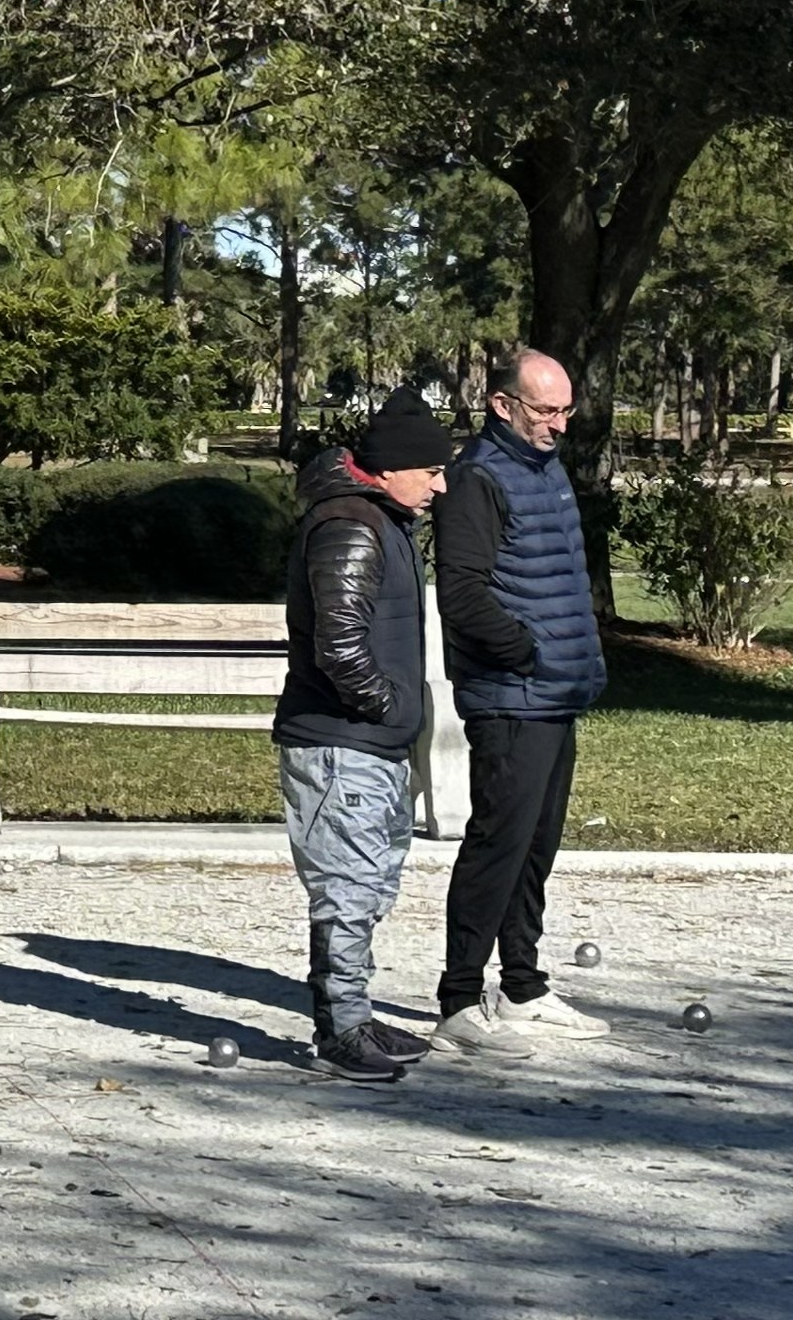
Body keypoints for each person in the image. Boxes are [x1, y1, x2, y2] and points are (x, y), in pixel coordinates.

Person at [429, 351, 614, 1058]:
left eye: (566, 410)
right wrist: (525, 651)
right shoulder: (477, 477)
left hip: (556, 693)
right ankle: (458, 999)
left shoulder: (545, 467)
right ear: (502, 405)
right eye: (544, 410)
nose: (558, 424)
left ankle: (523, 987)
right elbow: (462, 594)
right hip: (512, 696)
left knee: (536, 847)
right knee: (497, 846)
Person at [273, 390, 454, 1083]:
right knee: (346, 888)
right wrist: (383, 705)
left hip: (370, 740)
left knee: (371, 882)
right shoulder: (350, 525)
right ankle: (340, 1031)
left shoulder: (382, 519)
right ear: (391, 468)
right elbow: (339, 642)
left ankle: (357, 1013)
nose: (440, 486)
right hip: (339, 740)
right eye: (431, 472)